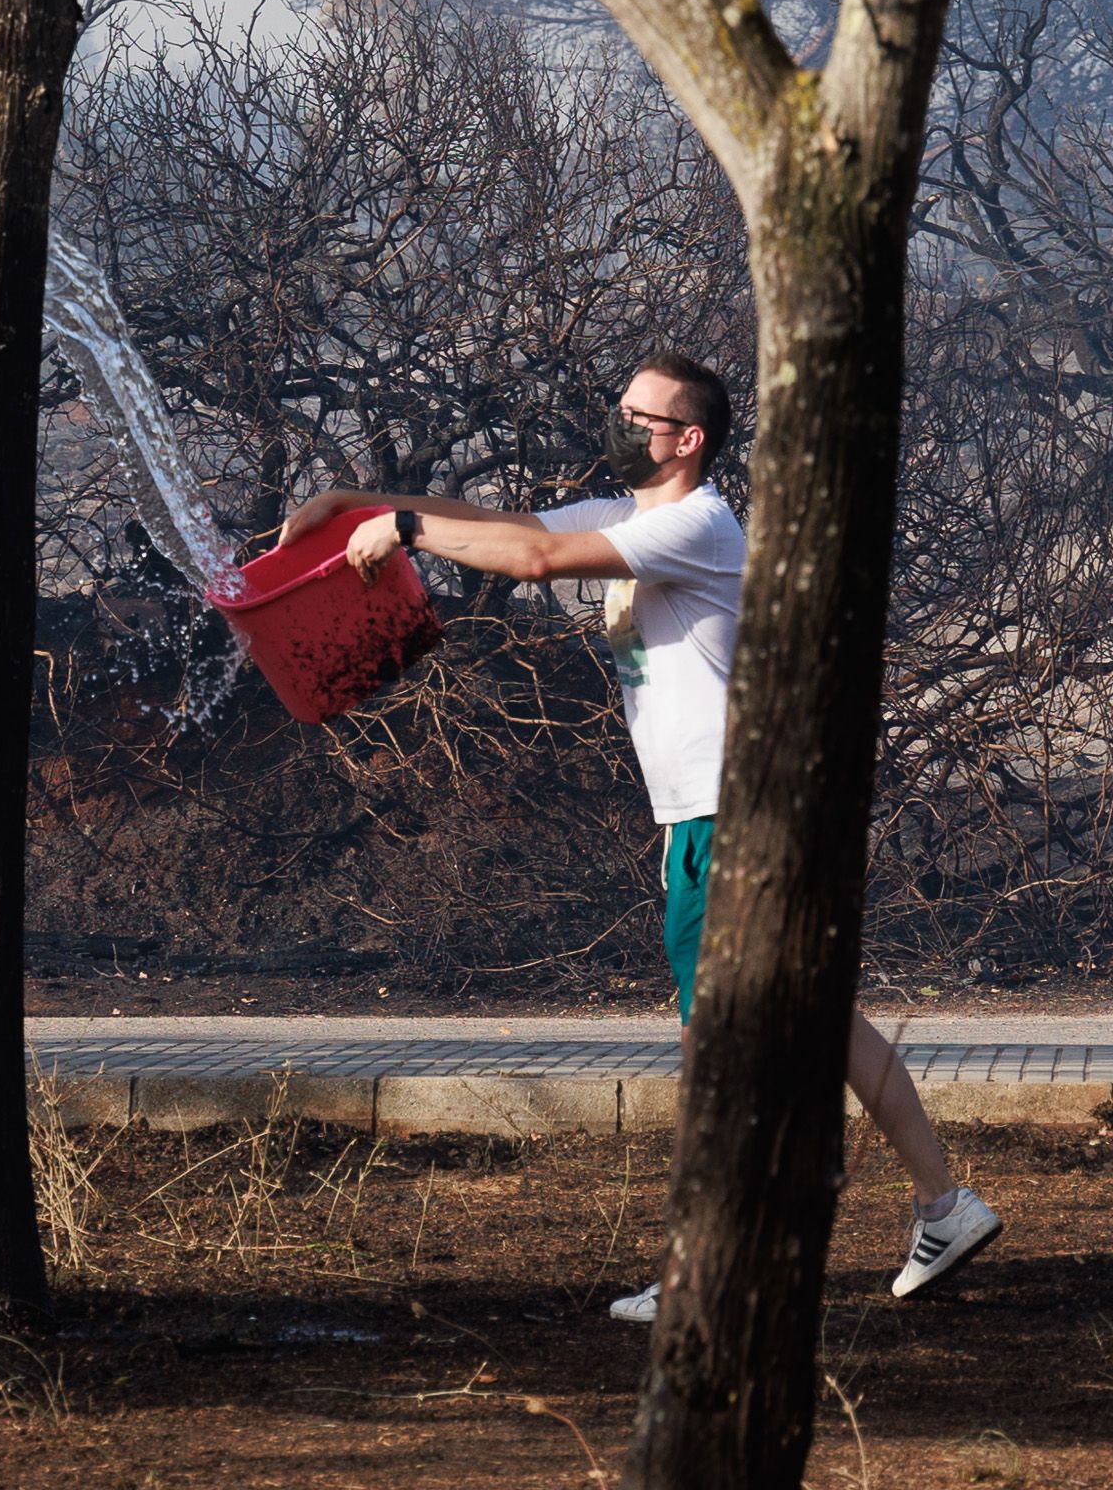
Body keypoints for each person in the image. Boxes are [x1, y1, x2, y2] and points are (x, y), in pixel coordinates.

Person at [281, 350, 1001, 1319]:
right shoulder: (632, 517)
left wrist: (401, 528)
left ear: (688, 437)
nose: (619, 424)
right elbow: (514, 528)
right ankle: (944, 1205)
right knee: (819, 1019)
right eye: (619, 406)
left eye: (638, 414)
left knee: (723, 1046)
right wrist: (352, 498)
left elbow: (533, 561)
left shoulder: (697, 523)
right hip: (719, 810)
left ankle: (719, 1268)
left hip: (727, 810)